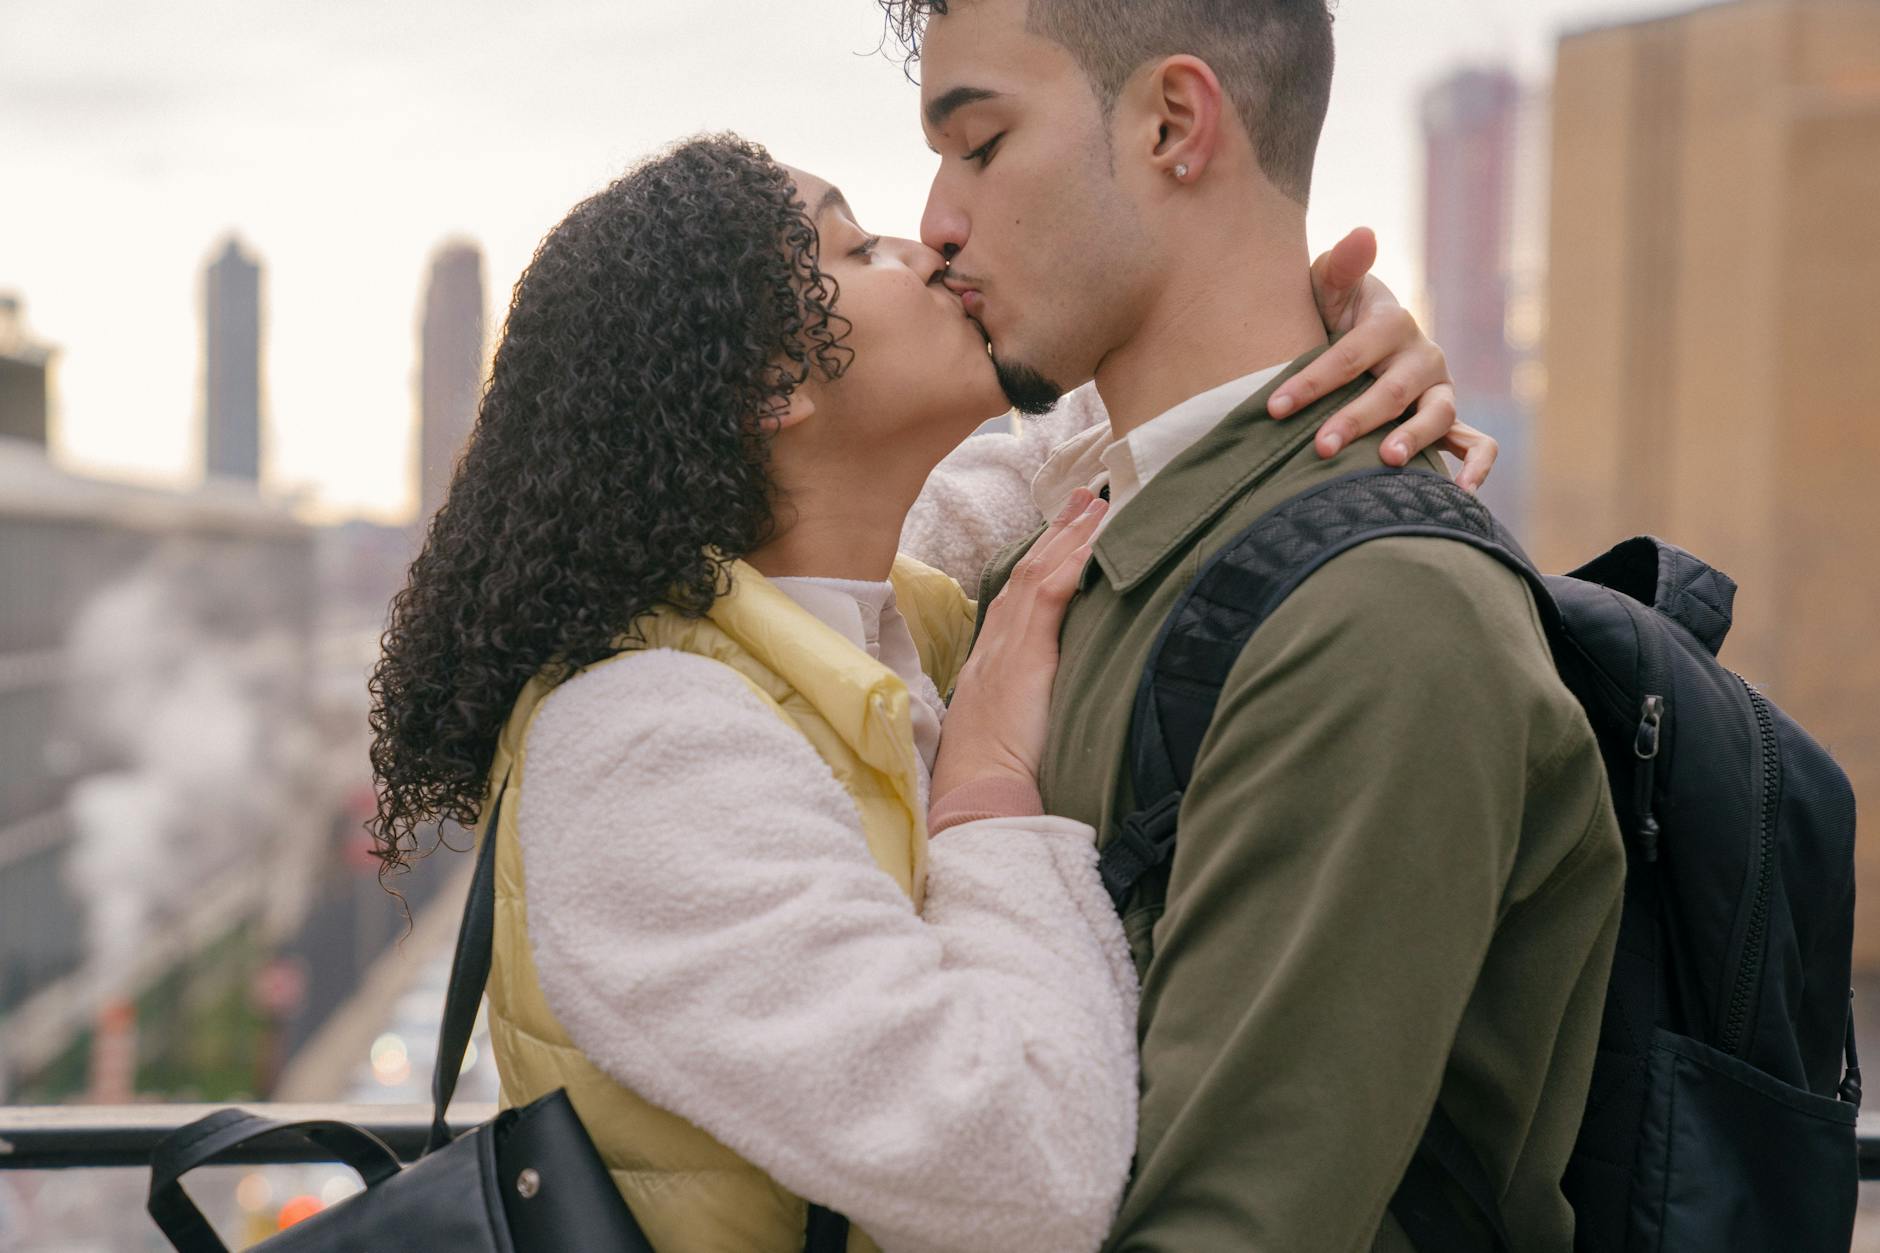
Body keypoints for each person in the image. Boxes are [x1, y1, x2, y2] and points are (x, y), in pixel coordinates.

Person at [366, 134, 1488, 1252]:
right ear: (769, 385)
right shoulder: (646, 748)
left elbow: (1071, 458)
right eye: (857, 250)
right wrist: (987, 789)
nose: (926, 250)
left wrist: (1335, 343)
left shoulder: (866, 604)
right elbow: (1032, 1173)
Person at [883, 2, 1628, 1250]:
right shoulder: (1058, 551)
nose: (935, 222)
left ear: (1176, 122)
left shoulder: (1382, 619)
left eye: (980, 144)